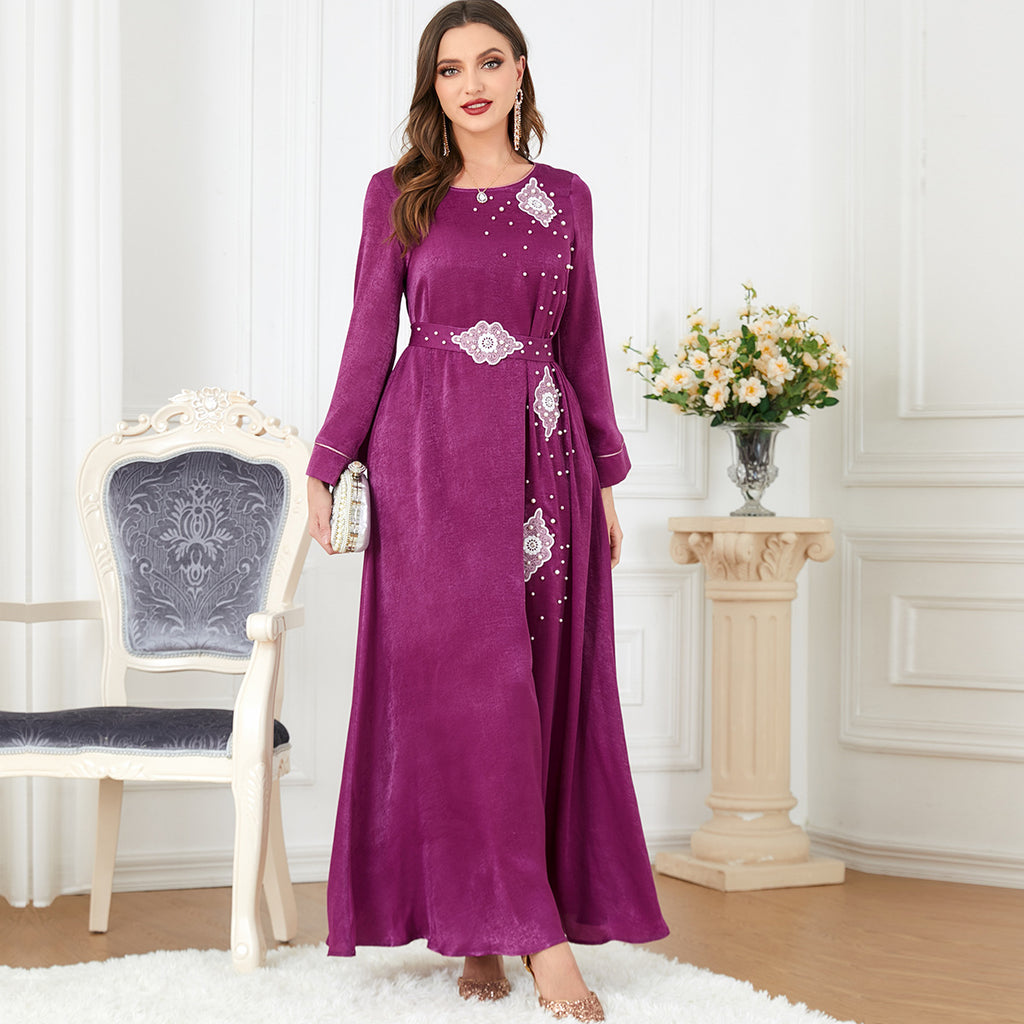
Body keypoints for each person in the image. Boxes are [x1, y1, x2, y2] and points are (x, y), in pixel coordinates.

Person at [306, 2, 668, 1018]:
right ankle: (531, 941)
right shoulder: (398, 194)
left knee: (538, 693)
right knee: (465, 698)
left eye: (489, 62)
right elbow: (368, 336)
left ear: (519, 73)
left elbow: (583, 339)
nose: (470, 83)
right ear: (432, 84)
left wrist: (603, 478)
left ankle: (486, 930)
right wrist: (326, 463)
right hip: (429, 465)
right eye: (450, 68)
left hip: (546, 462)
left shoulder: (567, 197)